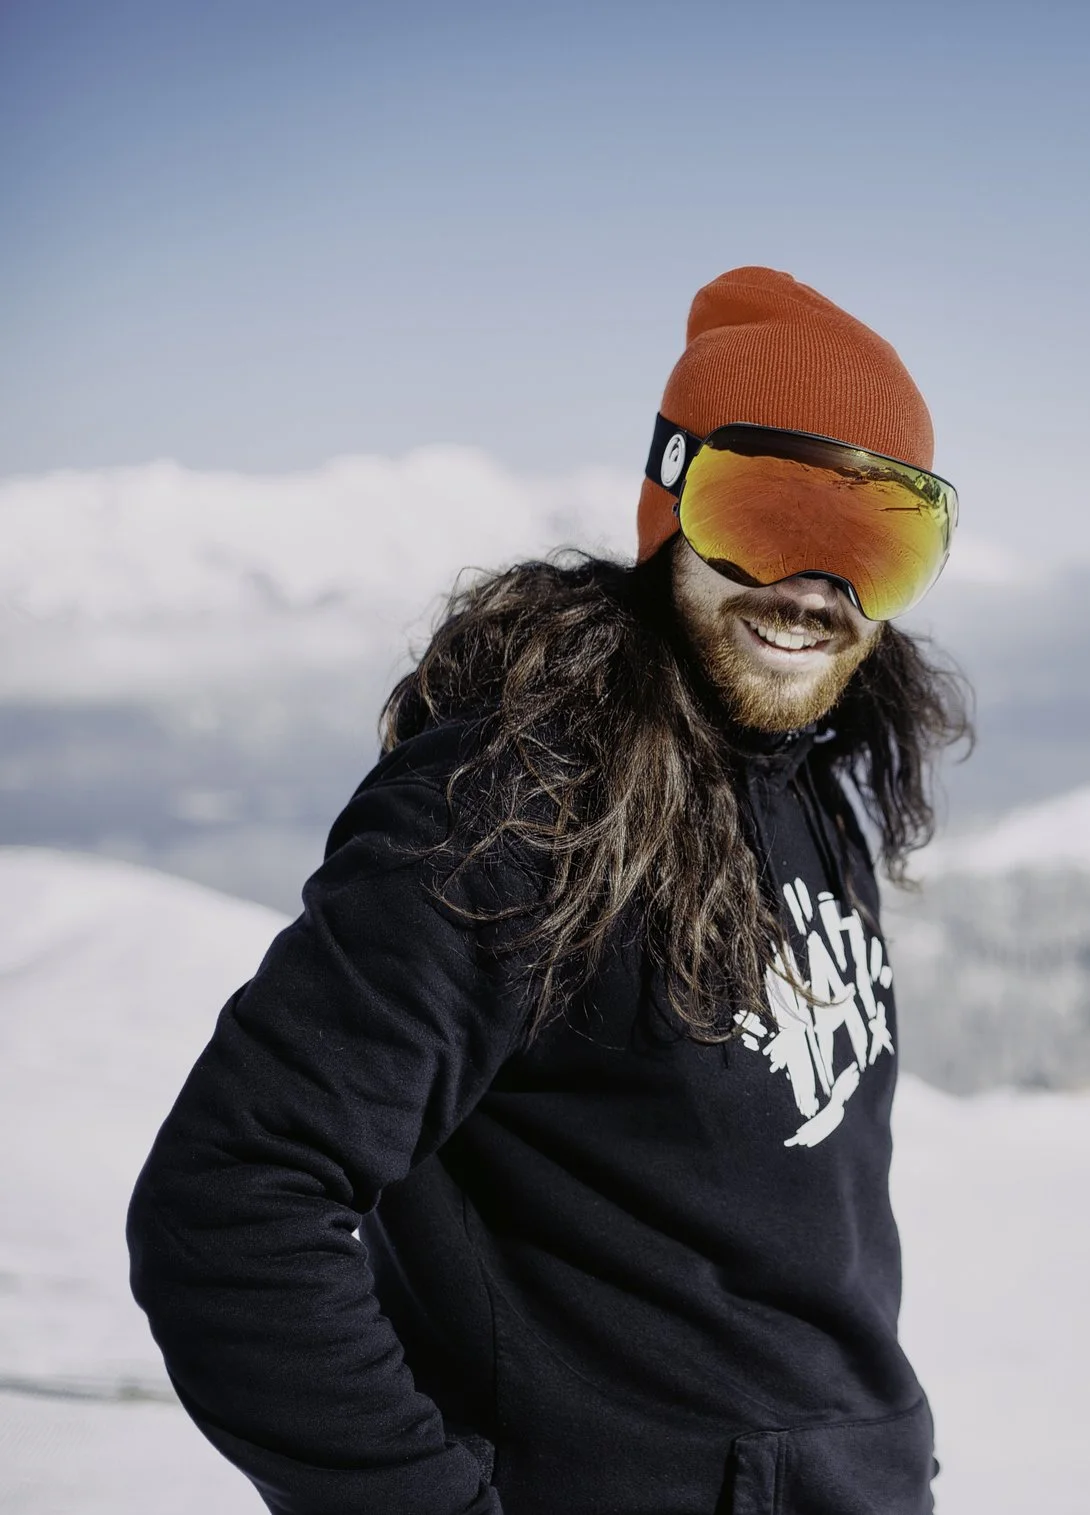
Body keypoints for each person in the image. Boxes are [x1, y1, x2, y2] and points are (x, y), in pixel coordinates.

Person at [127, 267, 971, 1515]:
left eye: (875, 543)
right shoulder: (518, 803)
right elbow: (232, 1201)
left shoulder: (811, 781)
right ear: (667, 504)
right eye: (764, 513)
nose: (814, 587)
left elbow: (797, 1247)